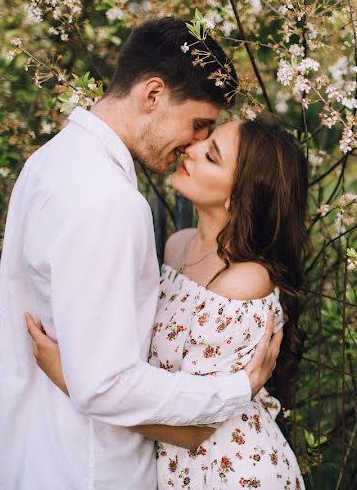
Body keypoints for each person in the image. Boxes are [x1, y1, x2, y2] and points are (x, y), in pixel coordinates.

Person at [0, 17, 282, 489]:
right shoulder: (109, 200)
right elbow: (105, 383)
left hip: (37, 456)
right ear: (152, 94)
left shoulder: (48, 163)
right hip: (88, 469)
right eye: (198, 125)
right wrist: (237, 389)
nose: (194, 144)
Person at [28, 112, 308, 489]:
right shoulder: (179, 245)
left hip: (232, 473)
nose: (191, 150)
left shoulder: (245, 282)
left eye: (211, 156)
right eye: (202, 143)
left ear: (240, 196)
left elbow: (193, 430)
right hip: (177, 471)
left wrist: (69, 377)